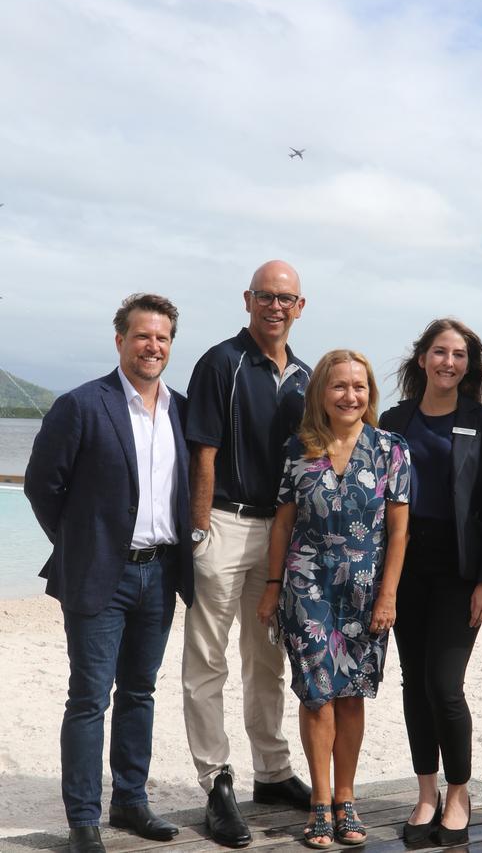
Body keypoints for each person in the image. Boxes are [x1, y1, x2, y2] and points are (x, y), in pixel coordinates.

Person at [24, 294, 193, 853]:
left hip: (161, 572)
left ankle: (131, 800)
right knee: (89, 697)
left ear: (171, 344)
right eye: (143, 336)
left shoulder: (181, 410)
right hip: (102, 575)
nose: (153, 346)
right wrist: (82, 545)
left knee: (140, 691)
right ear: (119, 340)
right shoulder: (81, 405)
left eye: (162, 337)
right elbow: (42, 485)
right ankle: (83, 820)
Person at [257, 349, 410, 849]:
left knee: (351, 696)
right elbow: (283, 522)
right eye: (339, 386)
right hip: (307, 586)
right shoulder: (298, 448)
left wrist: (388, 595)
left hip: (365, 592)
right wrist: (272, 585)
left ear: (370, 394)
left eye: (359, 386)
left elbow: (399, 532)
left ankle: (347, 799)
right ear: (320, 392)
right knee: (316, 693)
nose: (350, 395)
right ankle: (320, 802)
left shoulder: (391, 448)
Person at [183, 260, 312, 848]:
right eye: (266, 296)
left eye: (286, 298)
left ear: (300, 306)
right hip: (227, 525)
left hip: (281, 535)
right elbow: (202, 452)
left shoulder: (309, 376)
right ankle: (216, 782)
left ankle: (273, 772)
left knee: (268, 659)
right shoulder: (220, 362)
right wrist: (201, 531)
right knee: (207, 660)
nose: (275, 306)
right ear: (248, 299)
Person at [379, 318, 482, 847]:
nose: (447, 362)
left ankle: (459, 793)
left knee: (444, 686)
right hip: (405, 567)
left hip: (460, 571)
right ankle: (426, 791)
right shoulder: (393, 419)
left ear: (469, 365)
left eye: (458, 354)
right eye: (439, 352)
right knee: (413, 684)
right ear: (422, 359)